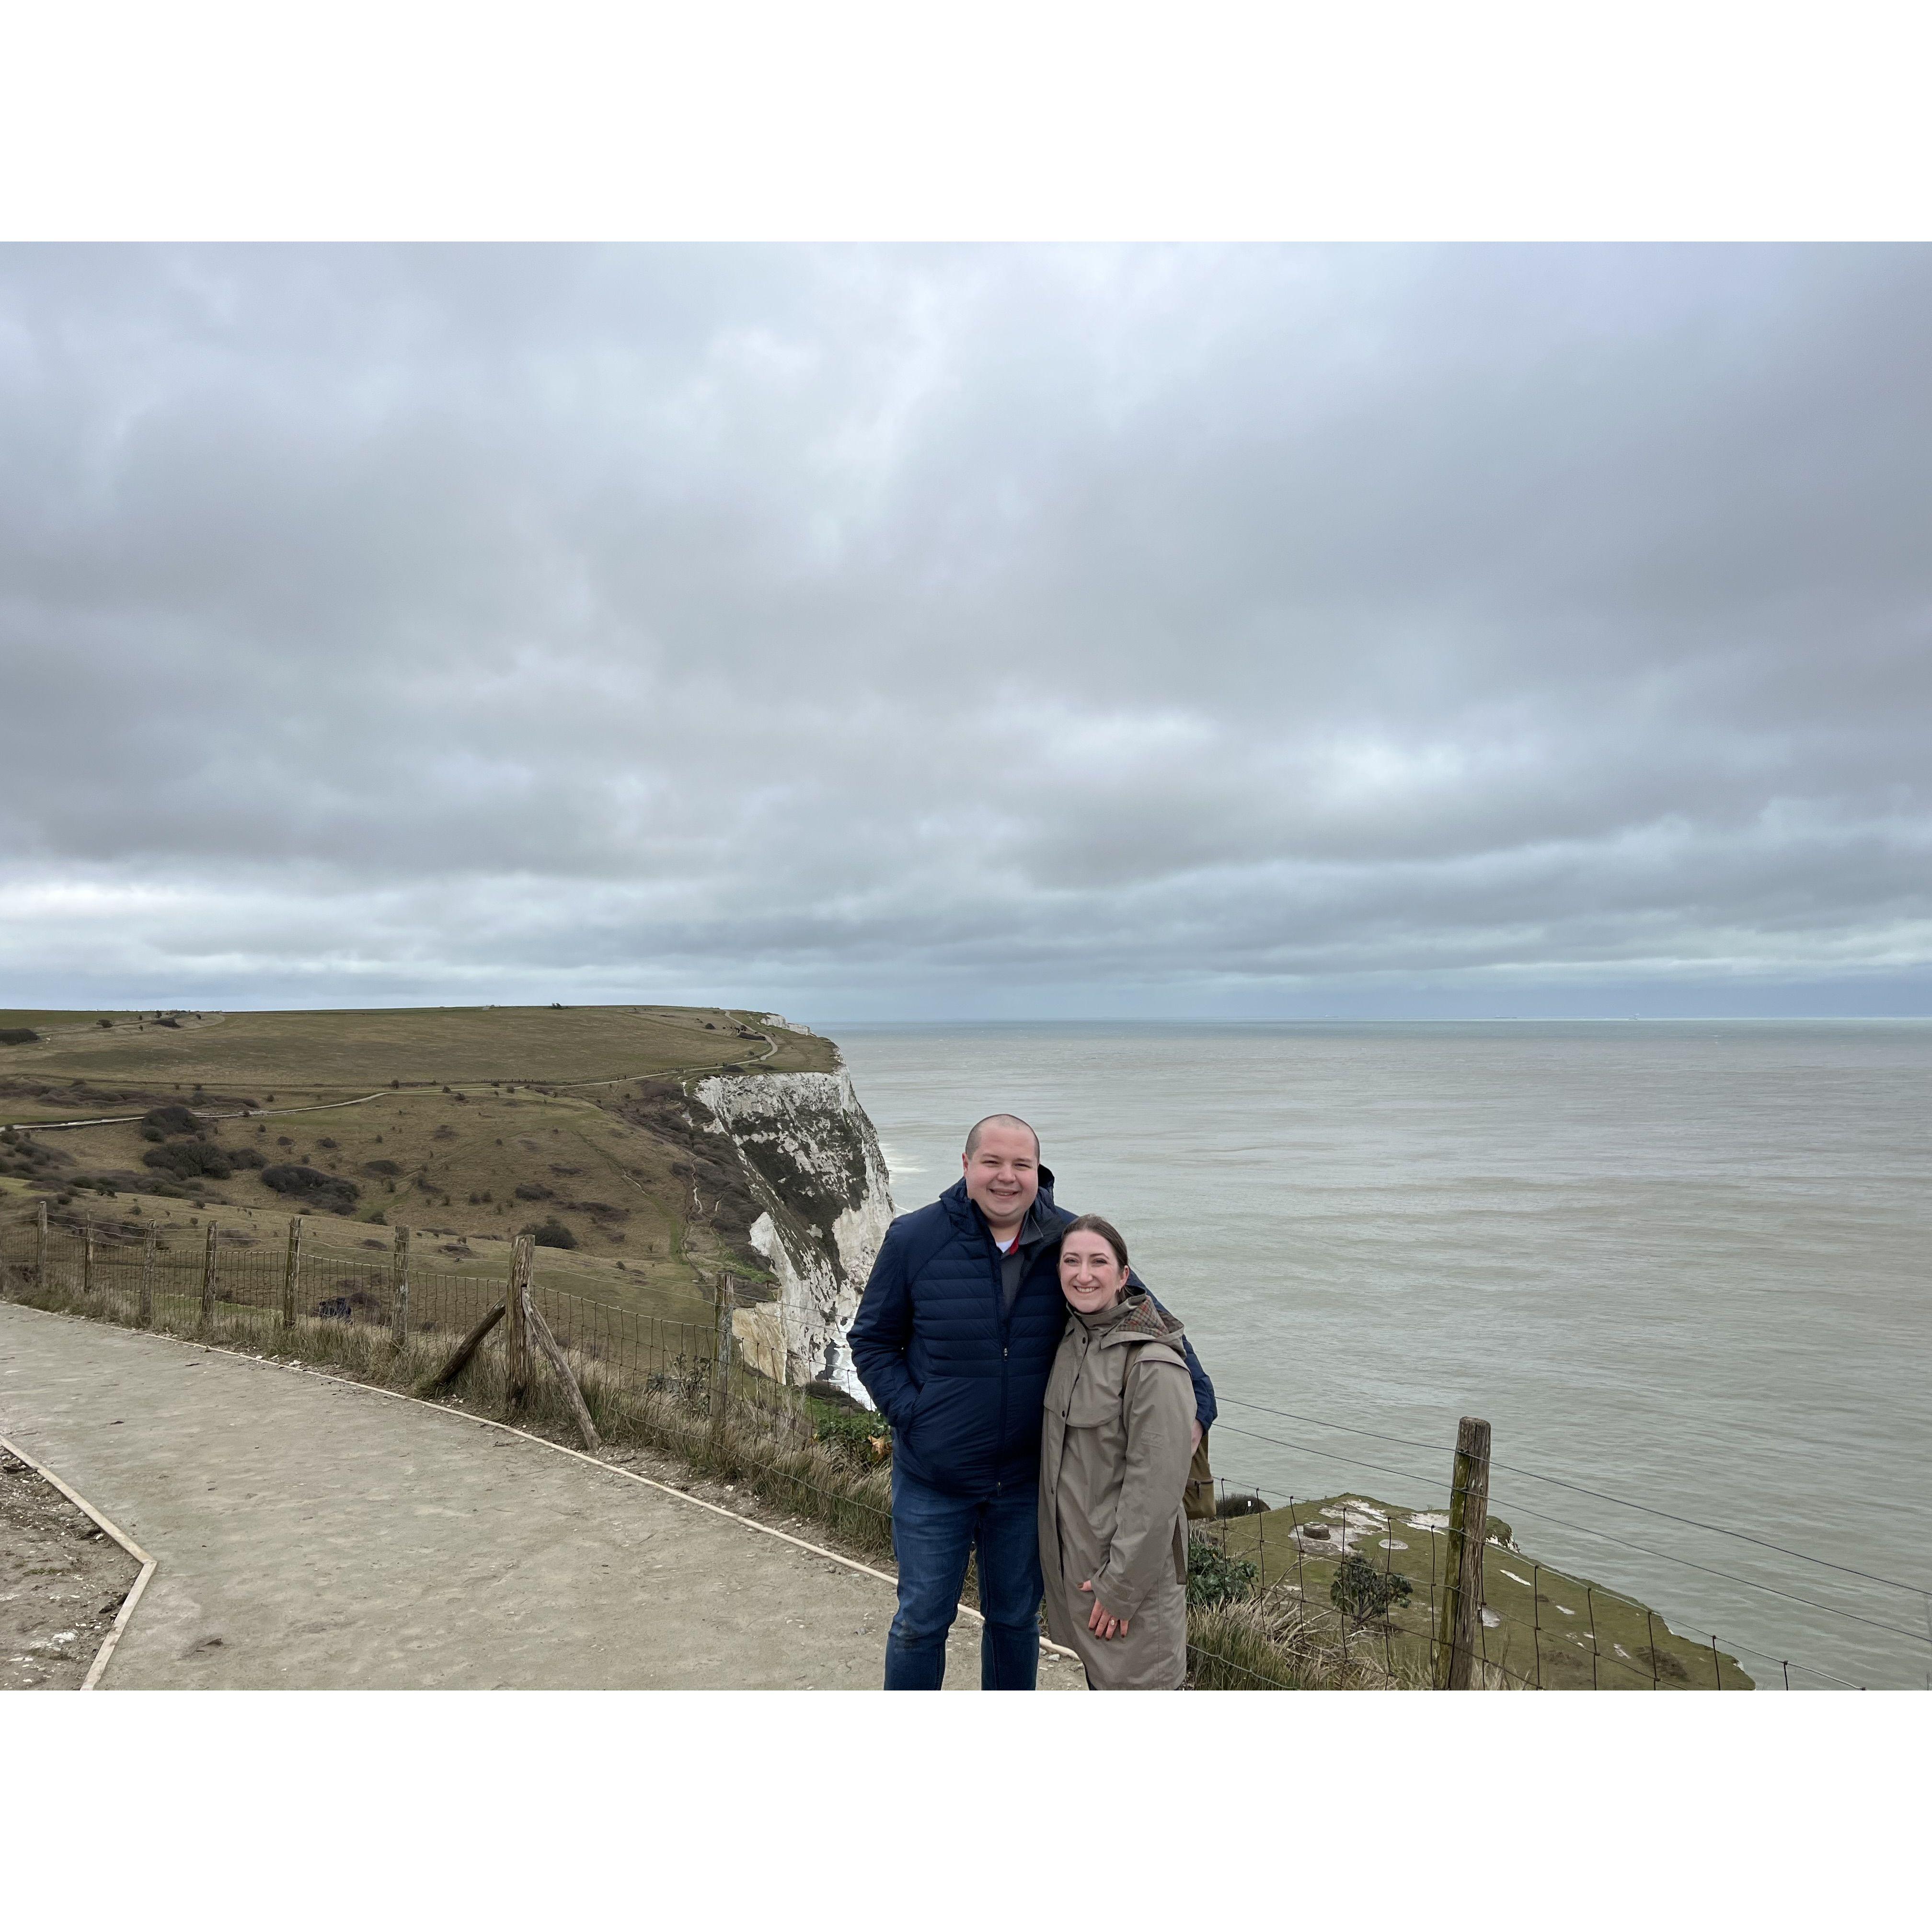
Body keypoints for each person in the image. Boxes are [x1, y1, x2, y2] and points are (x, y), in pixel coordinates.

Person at [848, 1113, 1215, 1690]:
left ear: (1038, 1174)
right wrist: (915, 1418)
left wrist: (1200, 1397)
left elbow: (1148, 1316)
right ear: (965, 1166)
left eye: (1021, 1165)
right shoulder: (914, 1239)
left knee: (1015, 1622)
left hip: (1026, 1486)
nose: (1006, 1177)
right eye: (992, 1162)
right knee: (921, 1623)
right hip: (933, 1480)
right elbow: (871, 1339)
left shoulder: (1069, 1244)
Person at [1039, 1215, 1192, 1690]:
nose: (1083, 1274)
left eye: (1098, 1262)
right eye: (1072, 1261)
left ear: (1124, 1276)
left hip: (1124, 1591)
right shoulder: (1072, 1341)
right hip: (1076, 1583)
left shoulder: (1152, 1363)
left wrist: (1121, 1589)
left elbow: (1156, 1493)